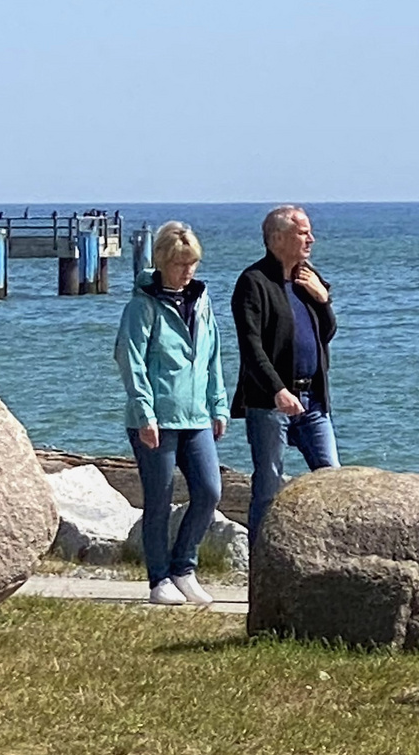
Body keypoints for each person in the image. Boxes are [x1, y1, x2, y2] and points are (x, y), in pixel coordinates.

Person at [114, 221, 228, 606]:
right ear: (163, 261)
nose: (187, 271)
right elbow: (131, 361)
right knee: (159, 499)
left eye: (192, 263)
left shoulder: (202, 301)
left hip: (195, 416)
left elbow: (213, 356)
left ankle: (184, 567)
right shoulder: (142, 306)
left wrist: (218, 404)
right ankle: (158, 578)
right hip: (156, 419)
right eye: (180, 263)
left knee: (210, 491)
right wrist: (144, 412)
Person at [233, 205, 338, 546]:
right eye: (303, 232)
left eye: (309, 232)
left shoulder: (308, 277)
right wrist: (277, 389)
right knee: (268, 484)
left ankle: (330, 553)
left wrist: (323, 301)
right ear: (278, 238)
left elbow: (327, 333)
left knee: (332, 478)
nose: (311, 238)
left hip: (313, 401)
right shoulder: (254, 282)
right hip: (270, 402)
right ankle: (261, 571)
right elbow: (251, 347)